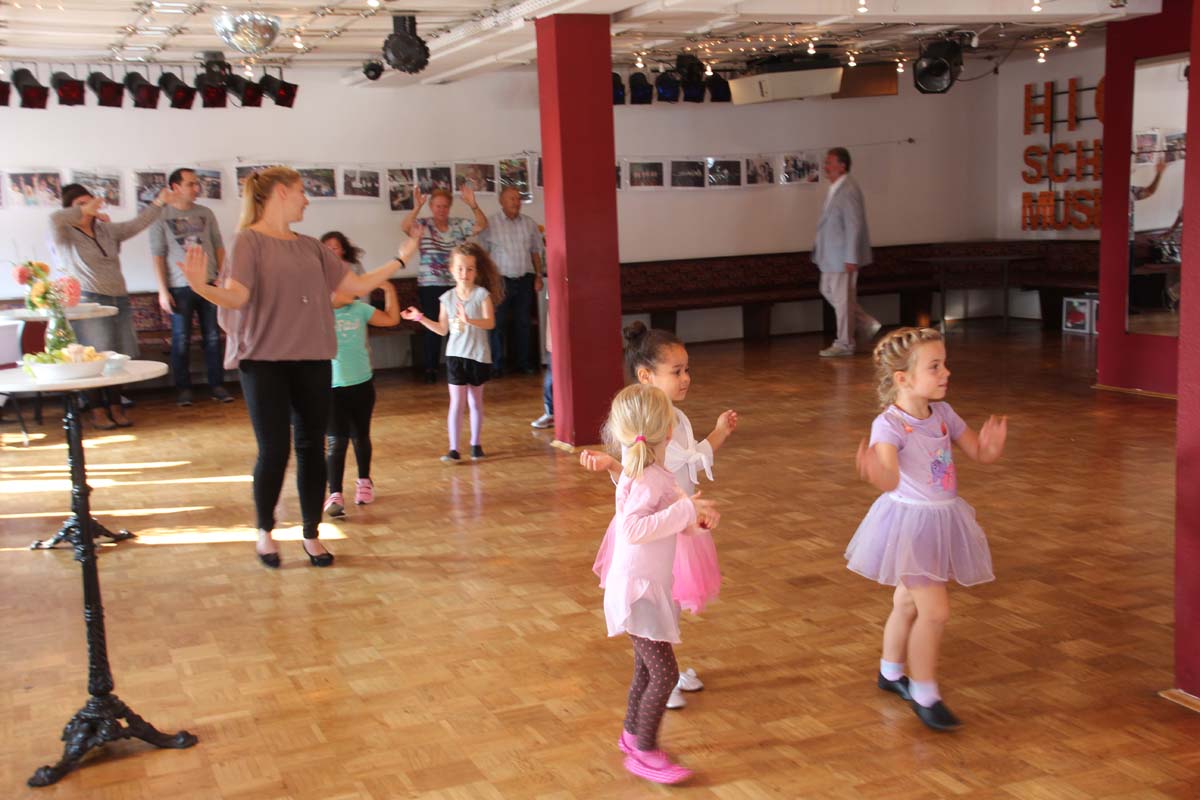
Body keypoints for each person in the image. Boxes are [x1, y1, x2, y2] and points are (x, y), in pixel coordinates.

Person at [177, 166, 407, 569]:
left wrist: (401, 258)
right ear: (281, 193)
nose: (307, 199)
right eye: (301, 191)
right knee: (274, 450)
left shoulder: (311, 247)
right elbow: (236, 297)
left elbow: (355, 286)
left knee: (311, 448)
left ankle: (311, 534)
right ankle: (265, 532)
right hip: (263, 362)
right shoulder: (248, 241)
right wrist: (200, 287)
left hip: (313, 360)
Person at [848, 327, 1007, 731]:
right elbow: (889, 477)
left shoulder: (944, 414)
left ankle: (890, 672)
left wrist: (991, 447)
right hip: (911, 527)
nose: (946, 373)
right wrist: (874, 472)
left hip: (942, 519)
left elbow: (978, 451)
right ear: (903, 378)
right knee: (934, 612)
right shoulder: (889, 426)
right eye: (934, 367)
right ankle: (924, 693)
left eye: (944, 364)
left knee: (907, 603)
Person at [582, 322, 737, 710]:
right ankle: (662, 676)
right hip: (657, 528)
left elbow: (691, 460)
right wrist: (614, 467)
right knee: (655, 600)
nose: (686, 378)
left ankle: (667, 668)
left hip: (679, 525)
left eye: (687, 370)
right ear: (646, 376)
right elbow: (635, 487)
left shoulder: (677, 420)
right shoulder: (642, 429)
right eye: (676, 371)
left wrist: (719, 434)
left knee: (671, 597)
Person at [600, 383, 720, 785]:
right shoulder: (648, 477)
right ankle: (646, 751)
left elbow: (668, 523)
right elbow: (634, 529)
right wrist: (685, 510)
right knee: (665, 675)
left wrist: (695, 521)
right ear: (668, 431)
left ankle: (632, 735)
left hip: (646, 585)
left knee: (646, 669)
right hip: (639, 591)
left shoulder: (652, 473)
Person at [49, 182, 175, 429]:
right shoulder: (64, 233)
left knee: (117, 356)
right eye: (80, 204)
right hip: (88, 300)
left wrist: (159, 202)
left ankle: (116, 407)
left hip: (119, 299)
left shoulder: (105, 229)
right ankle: (97, 411)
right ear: (69, 209)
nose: (88, 207)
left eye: (90, 202)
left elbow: (136, 224)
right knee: (94, 358)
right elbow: (54, 218)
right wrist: (84, 210)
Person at [400, 242, 503, 463]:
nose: (464, 273)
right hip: (455, 356)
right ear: (451, 270)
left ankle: (476, 445)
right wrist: (419, 317)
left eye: (469, 269)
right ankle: (454, 449)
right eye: (460, 268)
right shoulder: (447, 298)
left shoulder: (482, 295)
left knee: (475, 402)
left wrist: (469, 320)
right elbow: (442, 329)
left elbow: (490, 323)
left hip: (478, 356)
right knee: (456, 403)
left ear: (476, 271)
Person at [323, 271, 409, 518]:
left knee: (360, 437)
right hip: (331, 388)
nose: (355, 289)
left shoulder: (360, 309)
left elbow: (392, 319)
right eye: (348, 286)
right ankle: (335, 493)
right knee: (336, 442)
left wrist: (389, 289)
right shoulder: (319, 314)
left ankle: (364, 481)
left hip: (361, 384)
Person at [149, 168, 231, 407]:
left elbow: (218, 246)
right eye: (191, 184)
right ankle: (183, 389)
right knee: (181, 339)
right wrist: (163, 290)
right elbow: (157, 255)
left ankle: (217, 386)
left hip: (209, 283)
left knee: (213, 337)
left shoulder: (206, 212)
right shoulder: (159, 215)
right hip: (179, 286)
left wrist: (222, 276)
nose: (197, 188)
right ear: (175, 187)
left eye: (197, 183)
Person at [401, 186, 487, 383]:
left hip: (456, 285)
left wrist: (473, 204)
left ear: (449, 207)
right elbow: (405, 227)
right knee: (433, 326)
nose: (441, 210)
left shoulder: (458, 225)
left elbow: (482, 225)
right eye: (438, 206)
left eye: (445, 206)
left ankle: (457, 367)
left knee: (457, 326)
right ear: (431, 207)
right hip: (430, 285)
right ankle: (431, 369)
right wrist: (417, 207)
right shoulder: (423, 224)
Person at [813, 147, 881, 358]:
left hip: (842, 256)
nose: (825, 166)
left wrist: (851, 257)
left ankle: (844, 343)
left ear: (842, 166)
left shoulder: (849, 189)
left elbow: (854, 225)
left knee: (842, 300)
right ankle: (866, 322)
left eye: (829, 162)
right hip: (830, 256)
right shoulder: (836, 188)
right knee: (828, 291)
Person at [479, 186, 544, 376]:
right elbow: (483, 255)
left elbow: (536, 252)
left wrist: (538, 276)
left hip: (524, 280)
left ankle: (523, 363)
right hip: (499, 282)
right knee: (497, 323)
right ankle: (497, 365)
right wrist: (486, 282)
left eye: (518, 198)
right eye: (511, 198)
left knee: (523, 323)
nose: (516, 202)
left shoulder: (529, 224)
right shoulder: (490, 224)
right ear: (501, 201)